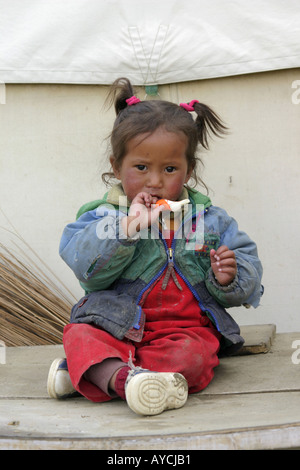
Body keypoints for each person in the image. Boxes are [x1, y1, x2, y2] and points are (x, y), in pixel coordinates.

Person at [47, 78, 263, 416]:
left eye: (170, 168)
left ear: (189, 170)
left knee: (192, 357)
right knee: (81, 333)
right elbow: (83, 264)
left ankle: (94, 373)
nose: (155, 180)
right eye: (141, 167)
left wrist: (229, 278)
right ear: (116, 166)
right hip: (116, 323)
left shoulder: (210, 220)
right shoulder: (104, 216)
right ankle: (126, 379)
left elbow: (248, 271)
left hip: (183, 329)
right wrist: (127, 228)